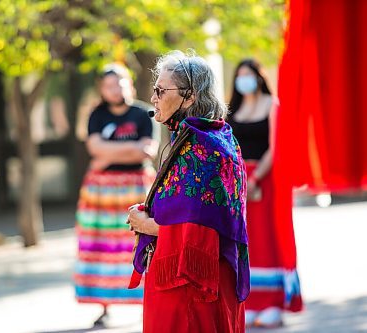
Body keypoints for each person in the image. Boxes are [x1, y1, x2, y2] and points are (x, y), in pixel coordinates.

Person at [127, 50, 248, 332]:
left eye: (160, 90)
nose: (153, 97)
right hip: (176, 277)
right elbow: (187, 207)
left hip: (194, 288)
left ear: (190, 96)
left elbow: (205, 232)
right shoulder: (193, 139)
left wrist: (148, 225)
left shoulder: (207, 147)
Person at [74, 64, 158, 326]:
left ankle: (150, 303)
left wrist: (107, 153)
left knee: (142, 243)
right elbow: (93, 148)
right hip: (101, 191)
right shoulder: (96, 114)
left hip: (137, 187)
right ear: (102, 89)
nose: (116, 89)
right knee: (101, 245)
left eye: (120, 82)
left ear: (129, 83)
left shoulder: (144, 112)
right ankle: (103, 306)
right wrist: (130, 149)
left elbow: (148, 150)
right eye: (109, 85)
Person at [228, 59, 303, 328]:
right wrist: (239, 179)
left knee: (268, 237)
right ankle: (249, 301)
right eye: (240, 74)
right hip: (237, 183)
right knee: (244, 240)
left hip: (265, 181)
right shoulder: (232, 110)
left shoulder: (273, 105)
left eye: (248, 74)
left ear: (259, 77)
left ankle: (272, 302)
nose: (244, 79)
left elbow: (276, 145)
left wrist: (255, 177)